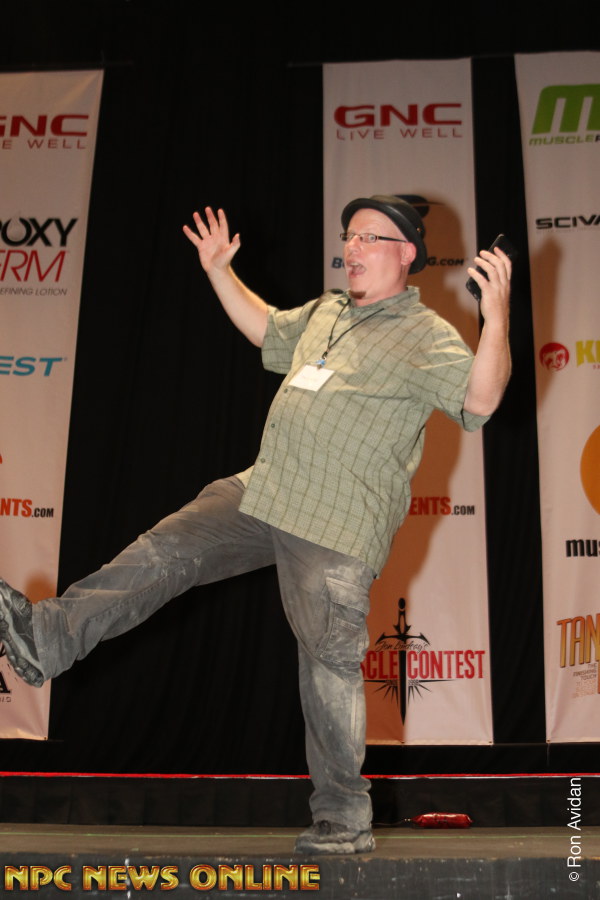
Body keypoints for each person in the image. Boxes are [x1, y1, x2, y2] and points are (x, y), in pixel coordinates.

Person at [0, 195, 511, 855]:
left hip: (334, 520)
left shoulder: (426, 334)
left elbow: (480, 400)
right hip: (267, 488)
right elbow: (266, 330)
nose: (352, 249)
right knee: (165, 550)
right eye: (349, 236)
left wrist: (496, 314)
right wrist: (219, 270)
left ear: (407, 253)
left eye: (369, 238)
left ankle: (344, 820)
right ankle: (47, 638)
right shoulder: (328, 311)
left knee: (326, 663)